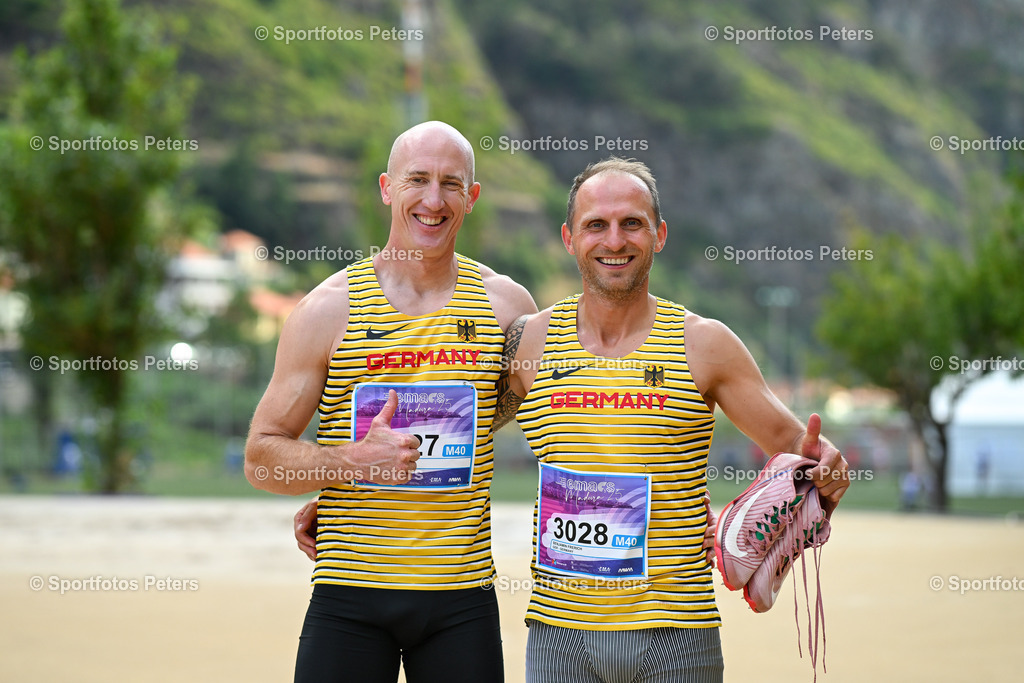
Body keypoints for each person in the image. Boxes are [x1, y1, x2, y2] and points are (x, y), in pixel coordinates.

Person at [295, 157, 850, 681]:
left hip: (677, 631)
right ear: (569, 239)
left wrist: (827, 475)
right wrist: (353, 481)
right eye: (596, 225)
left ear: (659, 234)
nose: (615, 240)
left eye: (632, 224)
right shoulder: (530, 342)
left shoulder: (706, 346)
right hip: (558, 638)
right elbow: (457, 424)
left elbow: (801, 452)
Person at [246, 120, 536, 683]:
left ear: (472, 197)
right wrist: (348, 463)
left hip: (461, 599)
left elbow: (546, 410)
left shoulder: (506, 307)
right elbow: (261, 458)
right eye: (417, 179)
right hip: (350, 597)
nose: (434, 200)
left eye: (451, 184)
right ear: (386, 187)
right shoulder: (328, 310)